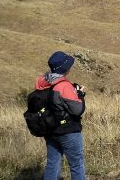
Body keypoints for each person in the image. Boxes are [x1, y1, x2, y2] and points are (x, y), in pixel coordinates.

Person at [35, 51, 86, 180]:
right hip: (68, 131)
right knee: (77, 165)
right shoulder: (64, 86)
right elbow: (77, 110)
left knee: (52, 164)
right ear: (64, 68)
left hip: (50, 129)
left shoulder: (42, 83)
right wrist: (79, 95)